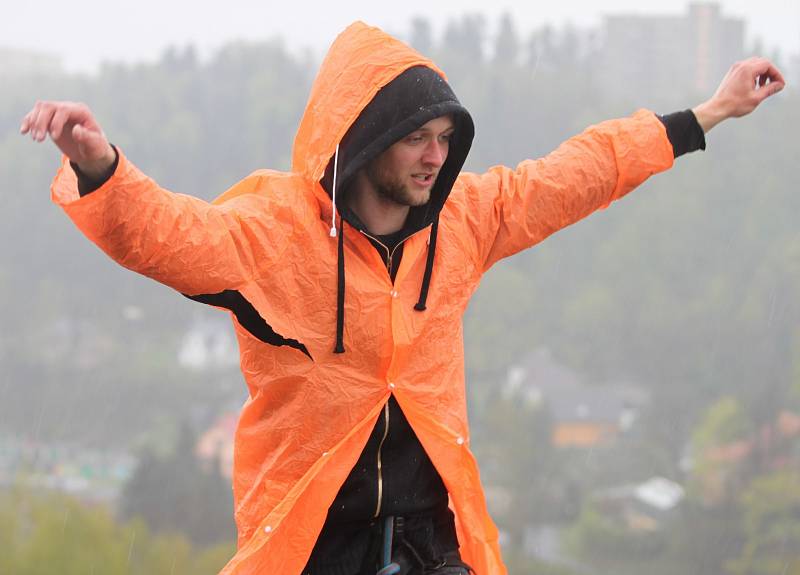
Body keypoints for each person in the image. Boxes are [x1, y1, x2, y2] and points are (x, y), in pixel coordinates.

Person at [20, 21, 784, 575]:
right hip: (313, 545)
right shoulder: (275, 236)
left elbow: (576, 173)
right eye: (420, 135)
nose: (436, 155)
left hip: (430, 543)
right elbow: (167, 234)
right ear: (366, 133)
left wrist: (706, 115)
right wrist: (100, 166)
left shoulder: (462, 224)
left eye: (447, 138)